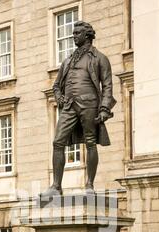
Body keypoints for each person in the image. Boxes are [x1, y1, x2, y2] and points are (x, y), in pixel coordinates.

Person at [40, 21, 116, 198]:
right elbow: (56, 85)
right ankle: (56, 186)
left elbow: (107, 85)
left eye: (77, 33)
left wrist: (104, 108)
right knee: (58, 142)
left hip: (89, 104)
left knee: (90, 143)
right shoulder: (68, 60)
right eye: (73, 33)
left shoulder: (100, 58)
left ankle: (89, 185)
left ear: (87, 35)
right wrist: (59, 98)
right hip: (69, 106)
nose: (73, 36)